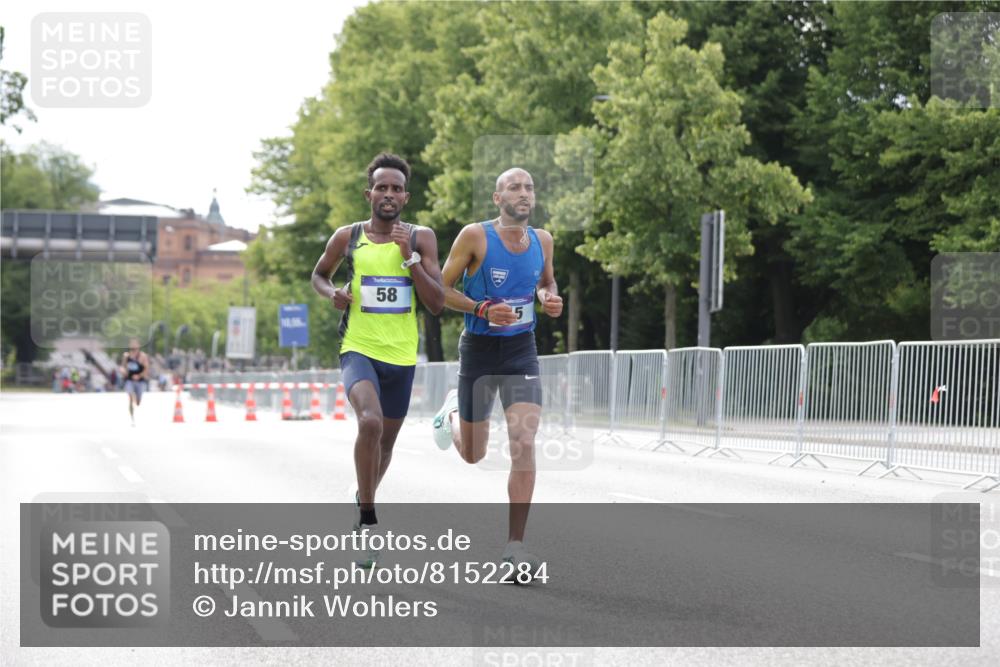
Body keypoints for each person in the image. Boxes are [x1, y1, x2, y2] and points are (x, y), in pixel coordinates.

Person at [311, 152, 444, 565]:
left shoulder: (421, 238)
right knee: (369, 422)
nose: (388, 194)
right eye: (381, 187)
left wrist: (410, 259)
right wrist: (332, 293)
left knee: (385, 443)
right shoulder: (347, 237)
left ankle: (362, 496)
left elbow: (437, 302)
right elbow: (319, 274)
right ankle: (368, 520)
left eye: (396, 189)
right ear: (368, 194)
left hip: (401, 355)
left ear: (406, 197)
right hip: (358, 348)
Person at [432, 167, 563, 576]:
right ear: (497, 198)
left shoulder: (543, 240)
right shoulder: (475, 236)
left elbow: (546, 282)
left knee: (523, 441)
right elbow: (439, 290)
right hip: (480, 351)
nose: (524, 194)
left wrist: (549, 297)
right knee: (474, 454)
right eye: (514, 187)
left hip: (521, 351)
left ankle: (514, 547)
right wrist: (481, 308)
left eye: (529, 187)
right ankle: (452, 414)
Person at [120, 339, 150, 426]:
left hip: (140, 381)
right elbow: (122, 367)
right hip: (129, 380)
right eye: (131, 344)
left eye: (135, 344)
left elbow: (146, 369)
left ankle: (135, 398)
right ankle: (132, 418)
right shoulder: (126, 356)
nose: (133, 346)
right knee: (130, 397)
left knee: (138, 402)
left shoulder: (143, 356)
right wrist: (123, 371)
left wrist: (139, 376)